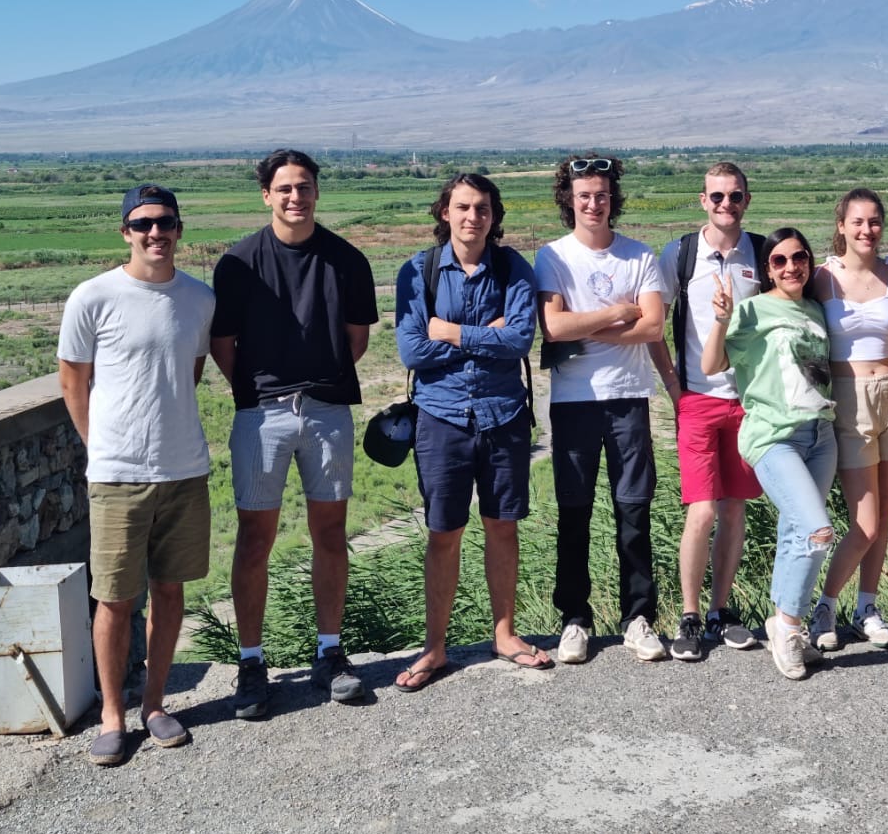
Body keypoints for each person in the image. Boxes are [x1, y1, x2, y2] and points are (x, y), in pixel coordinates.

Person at [211, 149, 377, 718]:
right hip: (262, 414)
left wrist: (318, 381)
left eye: (304, 186)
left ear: (316, 191)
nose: (295, 197)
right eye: (284, 188)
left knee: (330, 532)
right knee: (254, 537)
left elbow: (356, 340)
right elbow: (222, 344)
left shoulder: (346, 260)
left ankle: (330, 652)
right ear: (266, 195)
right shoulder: (238, 263)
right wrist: (259, 391)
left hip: (328, 410)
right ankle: (251, 662)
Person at [56, 184, 215, 766]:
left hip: (183, 468)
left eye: (165, 222)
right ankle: (111, 716)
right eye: (143, 223)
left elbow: (188, 372)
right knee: (115, 597)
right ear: (125, 231)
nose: (155, 232)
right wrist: (99, 445)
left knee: (170, 590)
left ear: (179, 229)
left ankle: (154, 704)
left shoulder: (199, 298)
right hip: (118, 474)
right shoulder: (93, 296)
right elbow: (72, 379)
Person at [393, 172, 546, 691]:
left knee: (503, 526)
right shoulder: (419, 270)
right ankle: (434, 647)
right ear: (445, 212)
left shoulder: (513, 267)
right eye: (462, 207)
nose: (472, 217)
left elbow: (519, 340)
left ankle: (505, 635)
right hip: (441, 417)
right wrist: (487, 334)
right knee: (444, 532)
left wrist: (452, 331)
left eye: (482, 208)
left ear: (493, 215)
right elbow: (413, 349)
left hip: (503, 415)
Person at [534, 153, 670, 663]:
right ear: (568, 200)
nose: (593, 204)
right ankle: (575, 619)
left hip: (628, 397)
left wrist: (585, 324)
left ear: (614, 199)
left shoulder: (639, 255)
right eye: (584, 196)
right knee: (574, 514)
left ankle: (638, 618)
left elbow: (652, 327)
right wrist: (616, 313)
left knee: (634, 511)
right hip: (574, 400)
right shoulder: (553, 256)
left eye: (602, 195)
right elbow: (553, 327)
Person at [701, 227, 837, 680]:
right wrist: (721, 319)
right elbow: (712, 365)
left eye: (799, 257)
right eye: (779, 261)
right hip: (774, 437)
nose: (791, 267)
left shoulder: (815, 308)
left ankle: (782, 623)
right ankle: (790, 629)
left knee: (795, 534)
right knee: (817, 532)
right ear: (768, 270)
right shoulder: (753, 310)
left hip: (820, 435)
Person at [650, 162, 770, 661]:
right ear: (703, 201)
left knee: (735, 508)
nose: (726, 205)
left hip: (747, 401)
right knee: (701, 511)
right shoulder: (680, 255)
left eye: (735, 196)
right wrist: (674, 388)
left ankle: (720, 611)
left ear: (746, 200)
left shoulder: (761, 252)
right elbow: (654, 325)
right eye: (717, 196)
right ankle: (690, 614)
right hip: (698, 400)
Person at [808, 188, 888, 653]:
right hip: (848, 398)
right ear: (841, 226)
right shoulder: (821, 277)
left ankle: (867, 609)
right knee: (866, 522)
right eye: (857, 221)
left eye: (874, 221)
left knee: (884, 513)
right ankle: (824, 607)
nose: (867, 230)